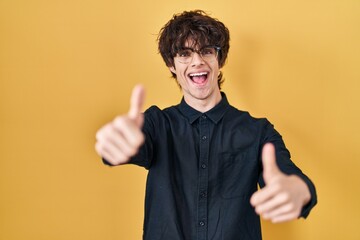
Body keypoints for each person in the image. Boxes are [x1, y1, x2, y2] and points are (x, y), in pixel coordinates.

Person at [95, 10, 317, 240]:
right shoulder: (156, 125)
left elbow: (292, 179)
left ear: (219, 60)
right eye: (185, 53)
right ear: (172, 64)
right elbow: (123, 144)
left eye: (207, 51)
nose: (197, 61)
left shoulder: (257, 131)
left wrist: (298, 192)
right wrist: (115, 143)